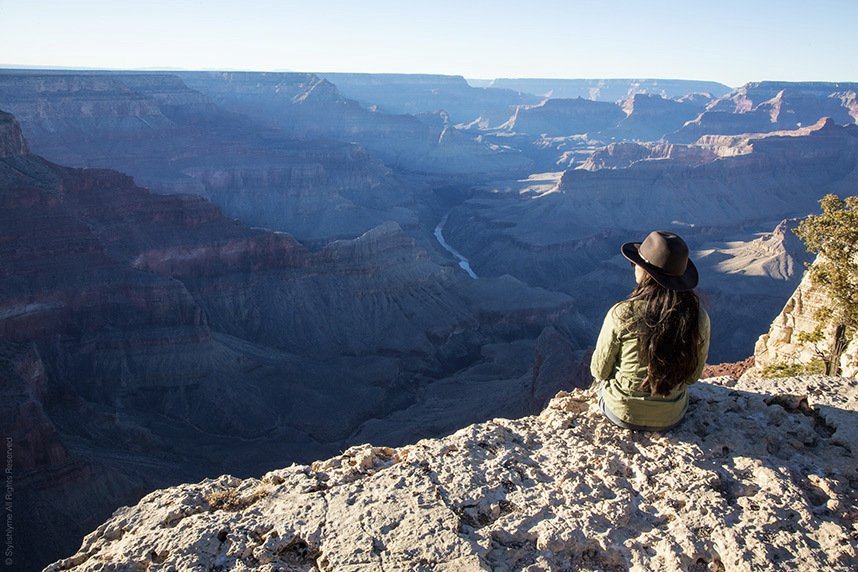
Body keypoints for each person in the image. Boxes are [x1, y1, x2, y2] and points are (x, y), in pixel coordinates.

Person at [590, 230, 710, 431]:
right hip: (672, 416)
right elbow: (692, 377)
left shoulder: (622, 313)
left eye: (636, 263)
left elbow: (599, 371)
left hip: (623, 413)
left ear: (647, 272)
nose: (633, 267)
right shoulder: (698, 317)